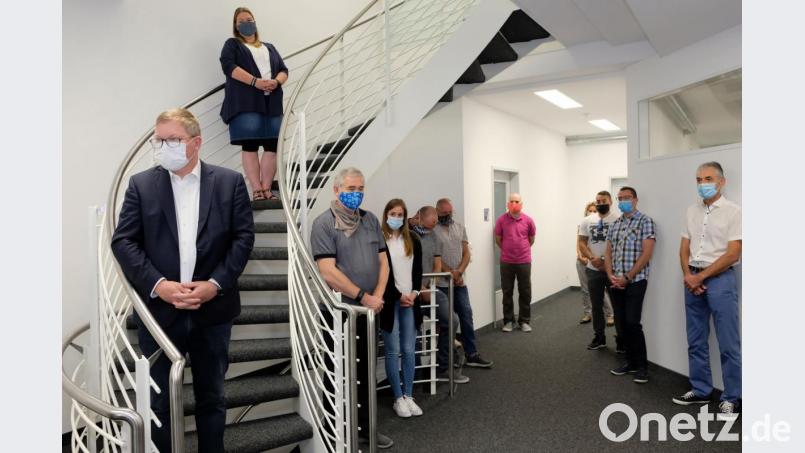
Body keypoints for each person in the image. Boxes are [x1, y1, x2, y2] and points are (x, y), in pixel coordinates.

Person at [112, 108, 255, 453]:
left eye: (172, 140)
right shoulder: (141, 184)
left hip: (213, 312)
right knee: (160, 403)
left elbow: (243, 238)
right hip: (159, 314)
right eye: (158, 140)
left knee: (212, 397)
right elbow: (123, 241)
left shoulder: (229, 182)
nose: (163, 146)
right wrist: (159, 285)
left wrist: (215, 284)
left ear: (196, 143)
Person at [310, 167, 394, 449]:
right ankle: (334, 433)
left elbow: (384, 261)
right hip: (339, 314)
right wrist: (363, 297)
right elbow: (328, 272)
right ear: (336, 190)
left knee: (366, 373)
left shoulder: (370, 221)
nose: (355, 194)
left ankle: (366, 429)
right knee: (337, 373)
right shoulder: (324, 224)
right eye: (350, 189)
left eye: (360, 189)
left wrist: (378, 296)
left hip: (369, 313)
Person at [672, 162, 742, 417]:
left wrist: (700, 276)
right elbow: (683, 247)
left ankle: (732, 397)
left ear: (722, 182)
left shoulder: (734, 212)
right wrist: (689, 275)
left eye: (708, 179)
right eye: (699, 179)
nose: (703, 184)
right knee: (696, 339)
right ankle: (701, 390)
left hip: (720, 280)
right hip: (692, 277)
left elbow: (734, 253)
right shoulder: (691, 211)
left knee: (728, 342)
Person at [219, 7, 289, 201]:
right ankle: (257, 190)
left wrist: (276, 81)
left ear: (255, 22)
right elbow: (229, 66)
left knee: (272, 146)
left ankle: (267, 188)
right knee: (250, 145)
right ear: (236, 25)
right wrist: (255, 82)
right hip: (247, 102)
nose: (246, 23)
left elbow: (284, 69)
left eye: (249, 19)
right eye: (241, 21)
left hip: (272, 102)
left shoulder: (270, 47)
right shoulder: (232, 44)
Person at [434, 198, 494, 368]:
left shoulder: (459, 227)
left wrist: (459, 271)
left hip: (459, 282)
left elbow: (467, 252)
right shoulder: (432, 230)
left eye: (450, 212)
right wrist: (450, 272)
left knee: (466, 315)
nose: (448, 215)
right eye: (444, 213)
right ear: (437, 211)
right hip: (441, 285)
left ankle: (472, 354)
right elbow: (434, 257)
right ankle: (448, 359)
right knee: (448, 322)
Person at [605, 186, 655, 384]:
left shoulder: (645, 221)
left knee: (633, 323)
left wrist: (627, 276)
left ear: (635, 199)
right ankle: (629, 362)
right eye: (620, 198)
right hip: (615, 281)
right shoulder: (615, 224)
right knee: (621, 323)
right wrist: (610, 274)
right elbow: (608, 252)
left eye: (627, 197)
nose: (623, 201)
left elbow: (647, 253)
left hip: (635, 281)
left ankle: (642, 366)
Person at [412, 206, 469, 384]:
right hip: (410, 291)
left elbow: (437, 264)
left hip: (430, 288)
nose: (433, 226)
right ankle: (414, 373)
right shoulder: (409, 235)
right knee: (413, 328)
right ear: (420, 218)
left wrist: (430, 284)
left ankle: (443, 367)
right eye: (431, 223)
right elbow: (406, 266)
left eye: (435, 223)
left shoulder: (433, 235)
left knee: (452, 320)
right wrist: (419, 288)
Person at [379, 199, 425, 418]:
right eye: (393, 213)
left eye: (400, 214)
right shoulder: (379, 240)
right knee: (392, 350)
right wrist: (398, 296)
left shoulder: (413, 239)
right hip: (390, 303)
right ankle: (397, 397)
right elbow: (379, 274)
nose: (396, 218)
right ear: (386, 215)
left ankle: (408, 395)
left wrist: (414, 293)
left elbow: (418, 271)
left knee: (408, 350)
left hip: (410, 301)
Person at [578, 191, 621, 351]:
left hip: (613, 270)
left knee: (618, 306)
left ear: (610, 202)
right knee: (596, 306)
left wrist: (605, 261)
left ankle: (621, 339)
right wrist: (592, 258)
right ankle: (599, 337)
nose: (600, 203)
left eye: (603, 200)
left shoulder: (618, 220)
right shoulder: (587, 220)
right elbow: (582, 242)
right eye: (597, 201)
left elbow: (621, 245)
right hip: (593, 269)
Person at [494, 193, 536, 332]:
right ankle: (508, 321)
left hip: (524, 261)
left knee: (525, 291)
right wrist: (508, 250)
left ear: (521, 204)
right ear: (508, 204)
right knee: (507, 292)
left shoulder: (528, 220)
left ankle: (524, 321)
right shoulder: (501, 220)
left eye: (516, 201)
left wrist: (521, 249)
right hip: (507, 261)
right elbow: (498, 240)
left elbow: (531, 239)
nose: (514, 204)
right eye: (511, 201)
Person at [577, 202, 614, 326]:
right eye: (590, 210)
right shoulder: (584, 223)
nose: (592, 212)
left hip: (602, 262)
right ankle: (587, 313)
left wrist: (599, 259)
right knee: (586, 290)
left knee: (602, 293)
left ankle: (610, 314)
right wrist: (582, 256)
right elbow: (579, 242)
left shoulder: (612, 221)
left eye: (594, 210)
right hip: (586, 261)